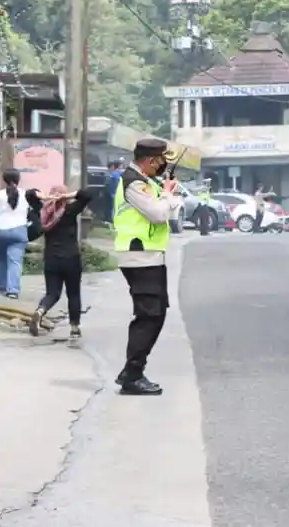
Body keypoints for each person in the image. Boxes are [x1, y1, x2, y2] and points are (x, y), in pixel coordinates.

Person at [113, 138, 182, 396]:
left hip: (151, 256)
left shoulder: (146, 182)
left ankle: (132, 372)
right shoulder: (134, 183)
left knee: (155, 314)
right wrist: (166, 194)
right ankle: (132, 375)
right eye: (161, 160)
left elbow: (168, 213)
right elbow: (158, 213)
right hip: (138, 255)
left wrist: (168, 195)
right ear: (151, 160)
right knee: (148, 316)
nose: (163, 165)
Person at [27, 185, 94, 339]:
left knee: (52, 293)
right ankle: (75, 328)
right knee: (74, 294)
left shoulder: (43, 212)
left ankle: (40, 311)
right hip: (71, 258)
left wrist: (44, 197)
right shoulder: (70, 210)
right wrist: (67, 195)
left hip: (51, 259)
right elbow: (87, 194)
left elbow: (29, 194)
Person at [0, 169, 30, 299]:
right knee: (15, 261)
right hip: (19, 230)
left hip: (0, 230)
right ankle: (13, 290)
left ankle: (1, 285)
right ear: (18, 179)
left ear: (4, 179)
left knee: (0, 259)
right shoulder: (26, 194)